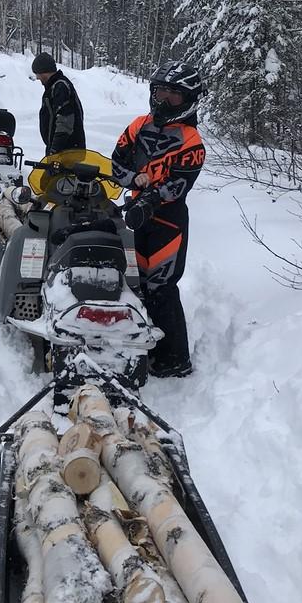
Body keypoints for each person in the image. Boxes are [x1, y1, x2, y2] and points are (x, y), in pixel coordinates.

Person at [111, 59, 206, 378]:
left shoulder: (192, 140)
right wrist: (132, 180)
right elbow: (117, 162)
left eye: (173, 95)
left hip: (168, 220)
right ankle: (140, 341)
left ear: (189, 99)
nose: (163, 100)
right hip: (136, 214)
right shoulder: (138, 125)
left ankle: (175, 358)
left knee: (161, 286)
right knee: (132, 281)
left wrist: (149, 199)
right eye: (160, 92)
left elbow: (179, 184)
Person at [31, 51, 86, 155]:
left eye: (37, 74)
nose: (37, 77)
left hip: (67, 153)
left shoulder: (61, 87)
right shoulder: (54, 87)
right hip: (62, 151)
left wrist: (55, 150)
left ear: (44, 71)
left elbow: (65, 122)